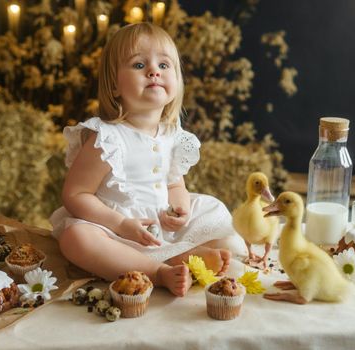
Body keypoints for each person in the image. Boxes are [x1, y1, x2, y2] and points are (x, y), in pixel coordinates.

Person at [50, 23, 243, 297]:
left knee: (215, 212)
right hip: (113, 229)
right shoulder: (107, 138)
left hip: (159, 225)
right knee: (75, 240)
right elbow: (75, 194)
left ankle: (180, 255)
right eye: (139, 65)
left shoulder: (172, 135)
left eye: (164, 65)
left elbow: (175, 185)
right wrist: (119, 224)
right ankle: (158, 272)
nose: (154, 71)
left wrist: (180, 208)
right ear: (114, 85)